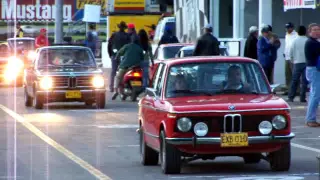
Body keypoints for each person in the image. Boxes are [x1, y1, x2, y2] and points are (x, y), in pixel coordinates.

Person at [112, 36, 144, 100]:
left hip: (125, 66)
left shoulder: (127, 46)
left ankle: (115, 91)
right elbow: (142, 58)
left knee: (118, 77)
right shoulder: (140, 48)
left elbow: (119, 52)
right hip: (136, 67)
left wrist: (116, 57)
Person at [107, 21, 130, 92]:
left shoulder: (114, 35)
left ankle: (111, 87)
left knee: (113, 71)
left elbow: (109, 45)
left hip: (115, 55)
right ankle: (122, 87)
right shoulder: (127, 36)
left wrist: (110, 54)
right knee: (124, 71)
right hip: (124, 56)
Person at [304, 23, 320, 127]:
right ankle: (310, 119)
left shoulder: (315, 42)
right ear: (309, 32)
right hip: (314, 69)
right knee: (315, 94)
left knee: (314, 94)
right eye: (314, 30)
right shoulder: (311, 42)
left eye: (318, 29)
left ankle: (311, 118)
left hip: (313, 69)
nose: (317, 31)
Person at [288, 26, 308, 103]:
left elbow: (291, 52)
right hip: (306, 63)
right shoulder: (307, 40)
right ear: (305, 32)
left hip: (297, 63)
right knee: (304, 81)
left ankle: (291, 97)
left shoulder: (295, 41)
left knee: (294, 80)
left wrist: (292, 60)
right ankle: (302, 98)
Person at [284, 22, 298, 94]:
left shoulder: (296, 35)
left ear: (292, 28)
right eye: (286, 28)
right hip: (287, 57)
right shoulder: (287, 35)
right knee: (287, 74)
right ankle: (288, 89)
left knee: (294, 74)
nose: (287, 29)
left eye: (289, 28)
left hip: (293, 57)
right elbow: (287, 45)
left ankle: (297, 90)